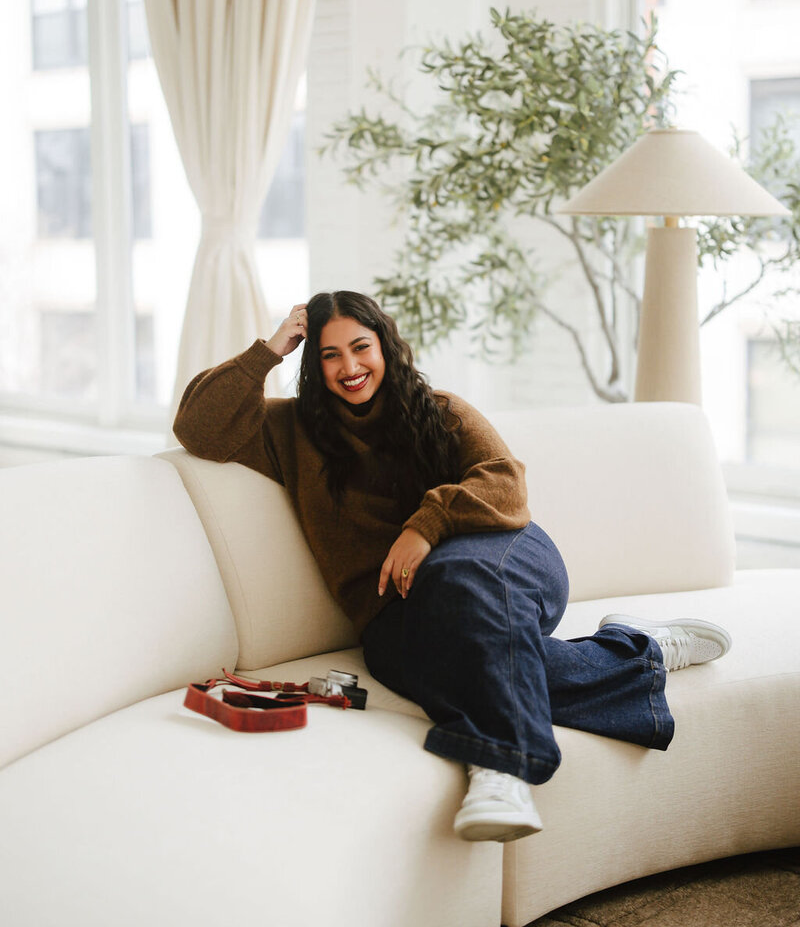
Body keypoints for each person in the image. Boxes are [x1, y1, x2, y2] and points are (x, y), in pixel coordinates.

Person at [174, 291, 732, 843]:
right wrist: (271, 349)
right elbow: (198, 426)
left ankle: (500, 769)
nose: (350, 367)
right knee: (444, 660)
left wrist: (426, 526)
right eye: (329, 354)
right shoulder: (291, 432)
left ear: (385, 346)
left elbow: (504, 480)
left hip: (505, 559)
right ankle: (639, 653)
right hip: (395, 613)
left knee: (457, 578)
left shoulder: (439, 411)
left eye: (361, 347)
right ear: (312, 363)